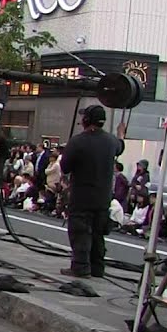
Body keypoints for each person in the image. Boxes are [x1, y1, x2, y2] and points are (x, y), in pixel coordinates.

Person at [59, 104, 126, 278]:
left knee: (80, 232)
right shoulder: (111, 141)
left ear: (87, 120)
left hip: (82, 196)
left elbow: (65, 167)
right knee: (97, 234)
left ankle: (80, 267)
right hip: (103, 197)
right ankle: (97, 268)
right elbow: (120, 147)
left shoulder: (78, 141)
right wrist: (121, 134)